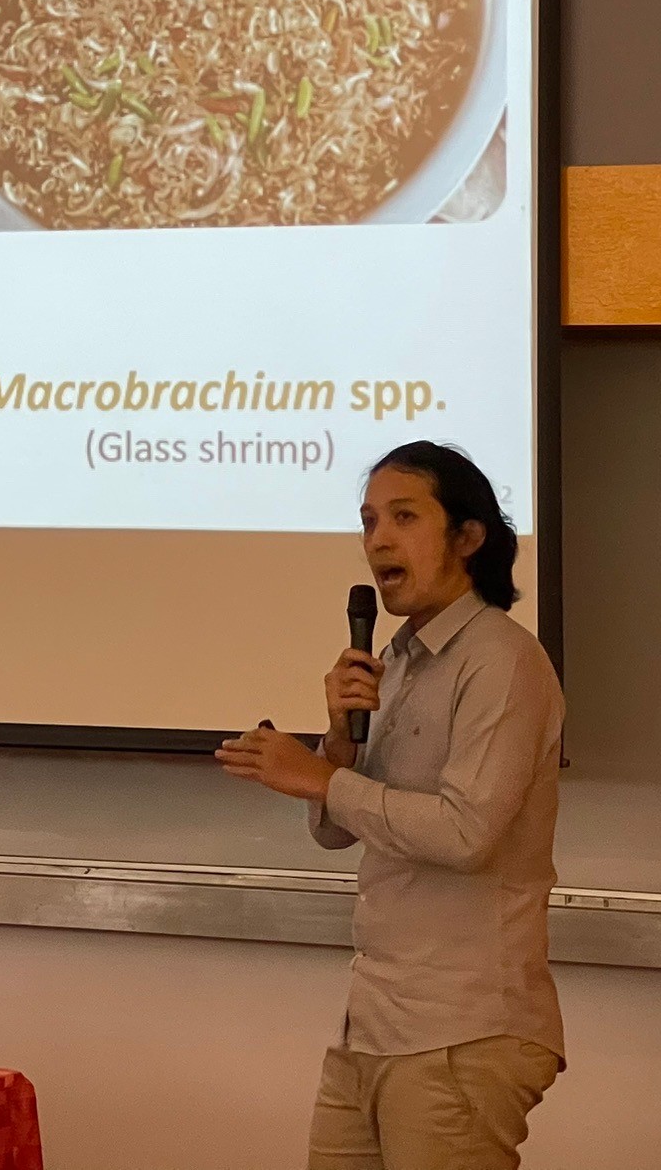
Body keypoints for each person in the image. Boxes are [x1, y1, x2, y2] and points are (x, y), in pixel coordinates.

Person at [214, 441, 565, 1170]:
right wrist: (339, 741)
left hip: (461, 1029)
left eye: (404, 517)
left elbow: (466, 834)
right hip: (373, 1022)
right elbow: (339, 833)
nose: (378, 540)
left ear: (468, 537)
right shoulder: (397, 661)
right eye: (369, 520)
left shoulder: (502, 661)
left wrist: (320, 778)